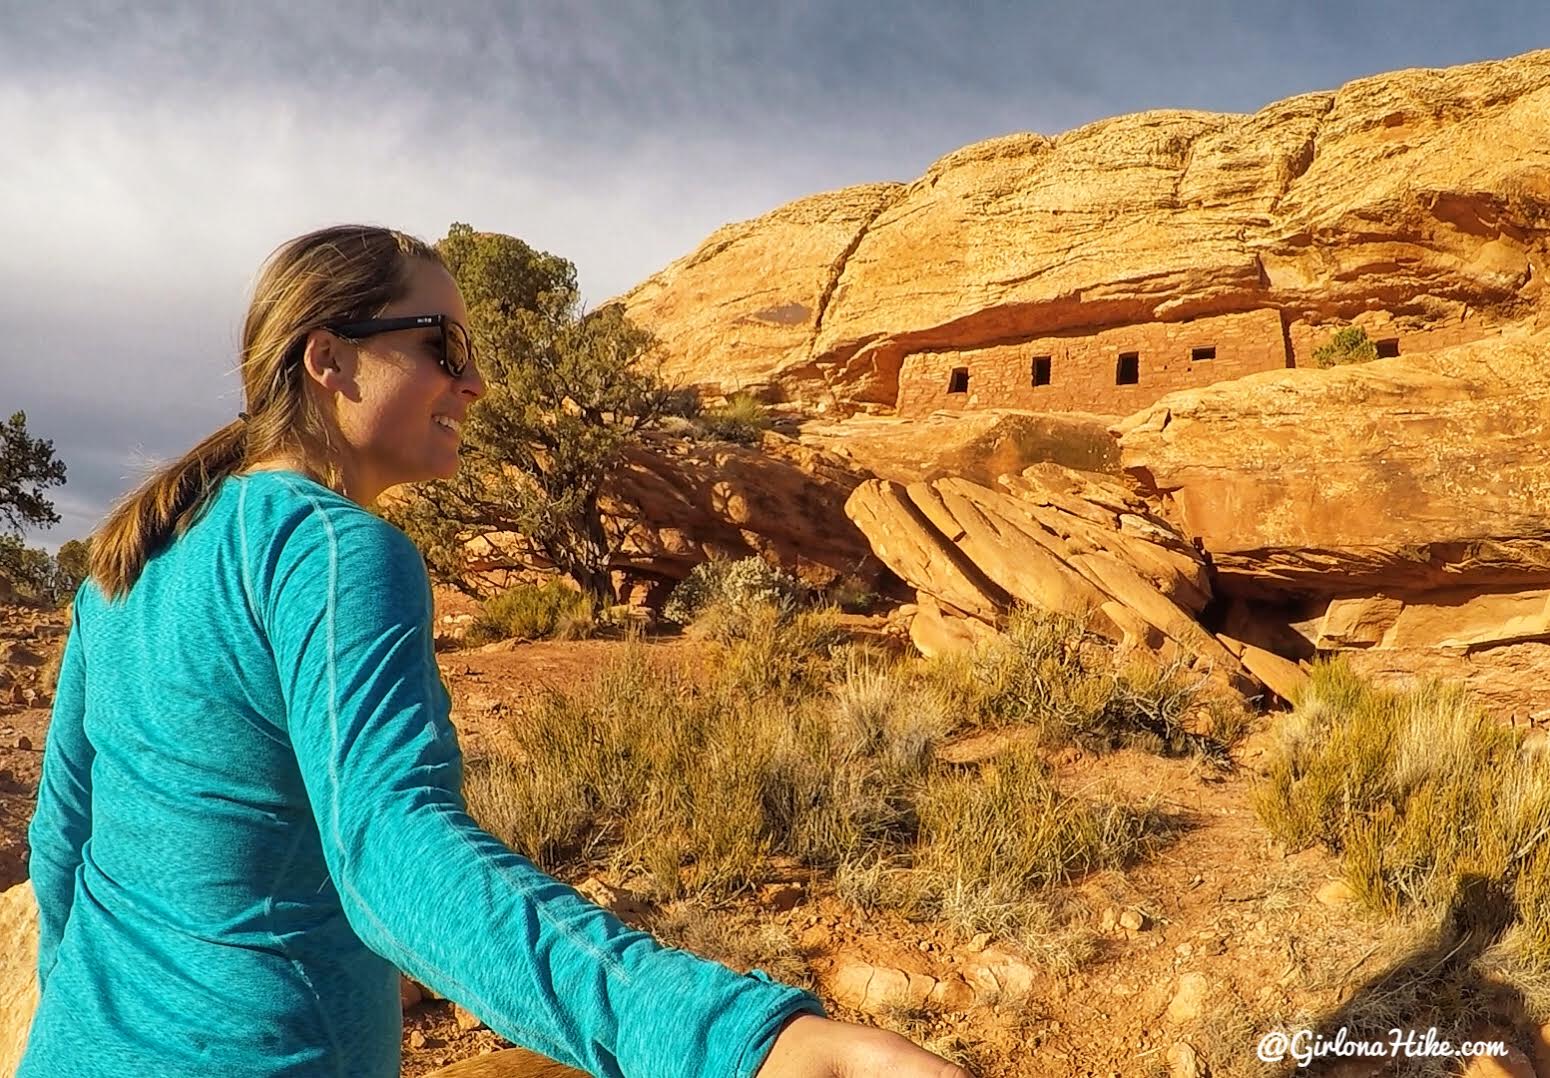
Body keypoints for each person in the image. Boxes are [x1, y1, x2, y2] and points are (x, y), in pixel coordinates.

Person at [20, 224, 972, 1078]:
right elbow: (387, 851)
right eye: (444, 345)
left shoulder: (126, 563)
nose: (473, 381)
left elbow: (61, 843)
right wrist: (733, 1040)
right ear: (330, 361)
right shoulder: (330, 549)